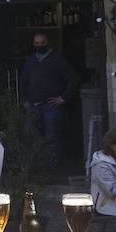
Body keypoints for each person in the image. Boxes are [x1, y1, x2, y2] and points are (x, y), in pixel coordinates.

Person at [19, 33, 79, 165]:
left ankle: (51, 166)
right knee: (33, 136)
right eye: (37, 43)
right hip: (33, 105)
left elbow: (73, 80)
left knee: (52, 136)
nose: (39, 46)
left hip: (51, 105)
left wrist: (62, 98)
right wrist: (25, 101)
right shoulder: (30, 61)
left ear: (48, 43)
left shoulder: (58, 60)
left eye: (42, 43)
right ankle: (37, 165)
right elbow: (23, 81)